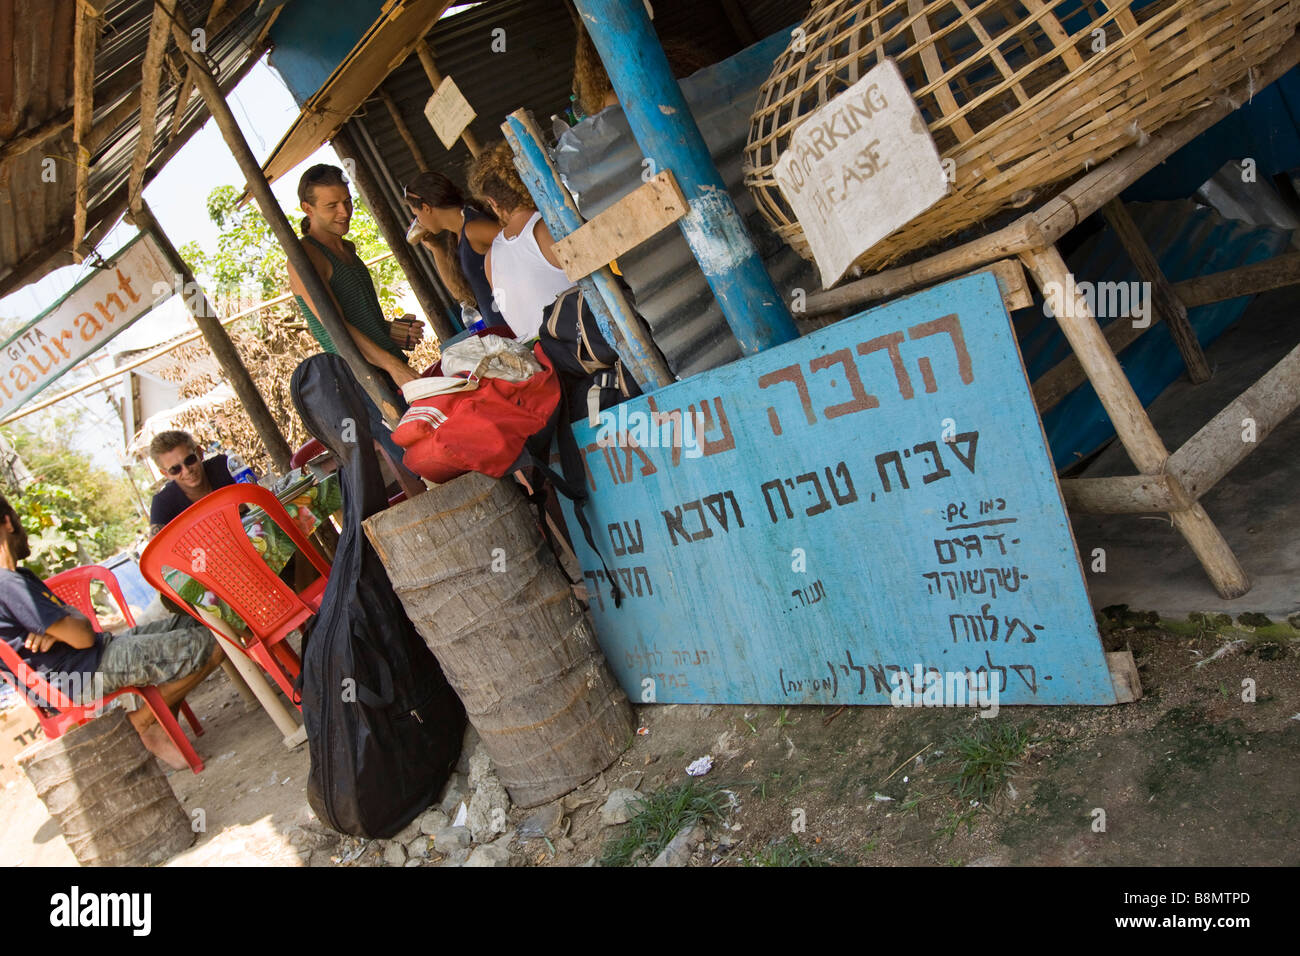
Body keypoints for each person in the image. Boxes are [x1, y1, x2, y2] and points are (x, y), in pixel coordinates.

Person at [0, 493, 222, 770]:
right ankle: (142, 724)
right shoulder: (8, 584)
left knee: (193, 620)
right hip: (83, 674)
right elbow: (82, 636)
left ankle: (159, 726)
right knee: (217, 639)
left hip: (90, 659)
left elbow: (78, 626)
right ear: (8, 522)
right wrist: (70, 621)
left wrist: (64, 623)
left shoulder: (18, 578)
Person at [288, 164, 425, 482]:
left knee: (428, 455)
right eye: (331, 206)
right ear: (307, 209)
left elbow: (358, 319)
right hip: (362, 380)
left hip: (384, 370)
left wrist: (390, 331)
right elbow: (337, 330)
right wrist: (393, 365)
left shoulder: (346, 248)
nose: (344, 212)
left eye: (347, 202)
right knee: (417, 466)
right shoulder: (306, 257)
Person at [467, 140, 576, 341]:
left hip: (548, 365)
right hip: (592, 354)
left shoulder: (490, 259)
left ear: (493, 203)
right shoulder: (547, 229)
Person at [402, 171, 502, 325]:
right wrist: (435, 248)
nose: (418, 221)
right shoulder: (458, 235)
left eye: (416, 214)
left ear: (426, 208)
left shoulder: (472, 229)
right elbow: (459, 292)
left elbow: (518, 243)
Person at [148, 430, 233, 536]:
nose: (187, 471)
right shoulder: (163, 502)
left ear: (199, 453)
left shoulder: (226, 465)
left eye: (190, 460)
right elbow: (158, 549)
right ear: (166, 474)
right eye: (175, 469)